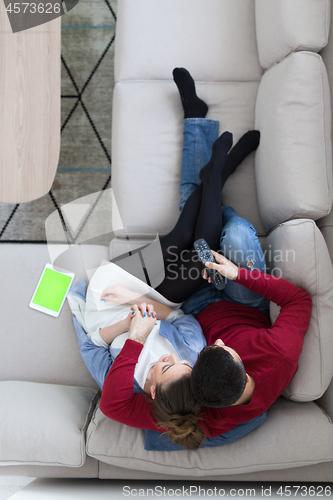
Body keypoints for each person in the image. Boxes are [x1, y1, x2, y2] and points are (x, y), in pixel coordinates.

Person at [99, 68, 312, 442]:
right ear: (243, 370)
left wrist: (135, 337)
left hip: (195, 304)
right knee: (239, 236)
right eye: (223, 348)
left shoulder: (193, 404)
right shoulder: (278, 353)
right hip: (244, 301)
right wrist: (237, 275)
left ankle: (210, 161)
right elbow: (298, 298)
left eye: (204, 354)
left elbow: (114, 406)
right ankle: (218, 179)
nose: (217, 341)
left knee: (191, 225)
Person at [68, 68, 263, 450]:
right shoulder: (194, 364)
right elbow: (181, 318)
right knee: (195, 249)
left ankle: (216, 171)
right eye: (183, 364)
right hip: (160, 301)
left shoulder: (130, 386)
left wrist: (130, 325)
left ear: (153, 388)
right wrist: (144, 307)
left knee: (186, 240)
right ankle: (216, 171)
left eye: (167, 365)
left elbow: (94, 341)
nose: (175, 358)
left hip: (110, 295)